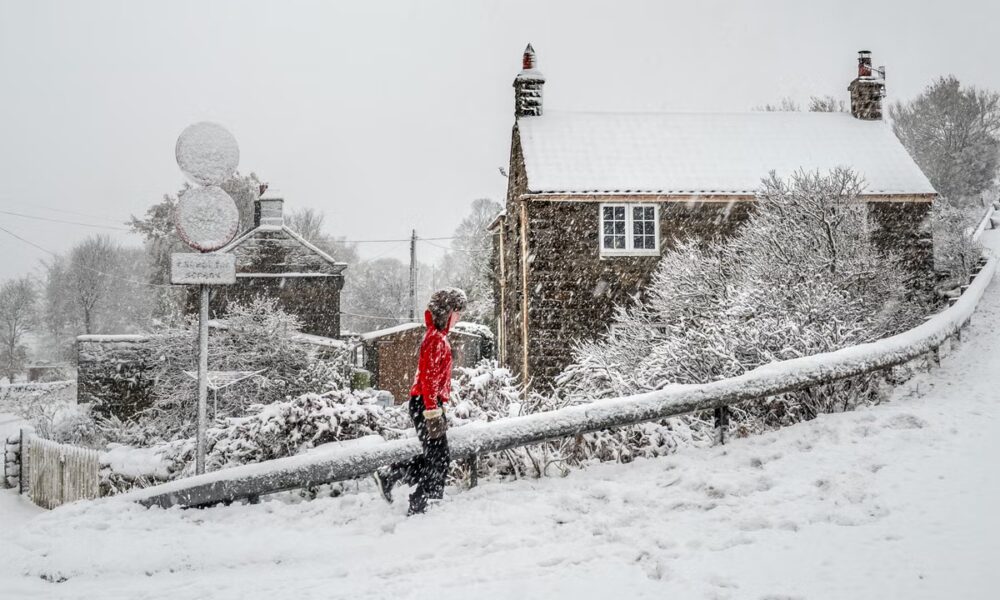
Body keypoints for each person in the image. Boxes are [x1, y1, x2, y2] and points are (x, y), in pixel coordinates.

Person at [373, 288, 467, 515]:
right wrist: (433, 411)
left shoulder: (439, 337)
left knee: (435, 456)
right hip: (426, 405)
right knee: (439, 458)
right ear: (447, 312)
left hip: (427, 403)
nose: (459, 319)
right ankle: (422, 503)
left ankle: (394, 476)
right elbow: (428, 378)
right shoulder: (435, 339)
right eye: (458, 313)